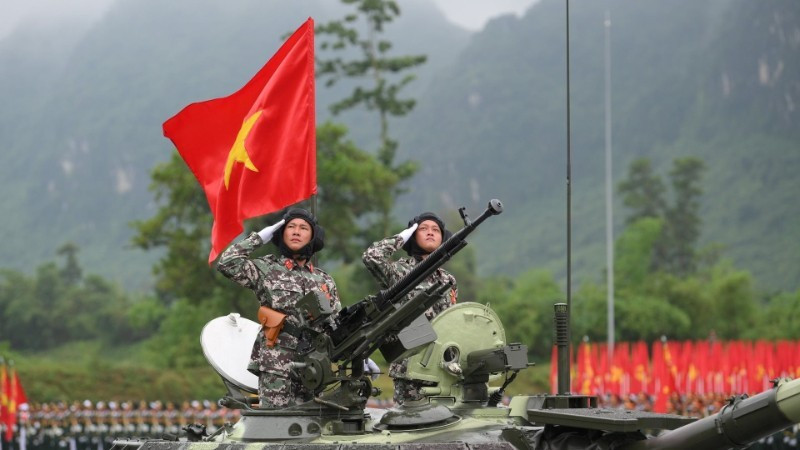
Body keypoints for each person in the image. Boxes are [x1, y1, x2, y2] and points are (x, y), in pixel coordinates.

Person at [217, 207, 341, 408]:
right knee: (275, 422)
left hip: (313, 364)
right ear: (281, 233)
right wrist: (259, 238)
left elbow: (336, 324)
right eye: (290, 227)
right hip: (276, 361)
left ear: (313, 236)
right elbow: (227, 263)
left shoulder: (324, 280)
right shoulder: (267, 269)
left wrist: (358, 356)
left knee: (310, 423)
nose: (296, 231)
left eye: (303, 228)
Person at [362, 212, 458, 404]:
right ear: (413, 235)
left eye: (436, 230)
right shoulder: (400, 272)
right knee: (410, 425)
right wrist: (402, 237)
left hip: (441, 366)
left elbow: (452, 321)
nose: (430, 233)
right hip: (410, 367)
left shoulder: (448, 280)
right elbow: (371, 256)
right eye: (423, 229)